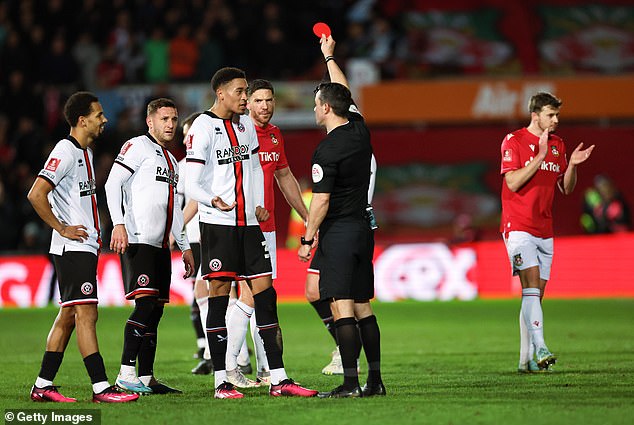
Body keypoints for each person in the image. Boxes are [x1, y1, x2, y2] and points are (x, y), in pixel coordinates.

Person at [185, 67, 318, 399]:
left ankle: (279, 379)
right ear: (222, 94)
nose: (245, 98)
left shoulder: (246, 126)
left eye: (248, 92)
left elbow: (257, 167)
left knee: (266, 295)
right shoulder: (203, 127)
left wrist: (259, 203)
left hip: (250, 226)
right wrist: (209, 199)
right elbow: (190, 181)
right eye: (241, 92)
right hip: (218, 225)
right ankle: (221, 380)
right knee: (218, 298)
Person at [27, 91, 138, 403]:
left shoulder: (85, 154)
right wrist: (62, 228)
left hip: (84, 246)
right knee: (87, 315)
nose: (104, 120)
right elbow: (36, 194)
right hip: (71, 246)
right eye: (99, 115)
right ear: (81, 120)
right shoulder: (64, 150)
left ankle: (43, 385)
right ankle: (102, 387)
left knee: (68, 316)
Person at [298, 35, 385, 398]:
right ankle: (375, 381)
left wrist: (307, 238)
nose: (315, 109)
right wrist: (329, 57)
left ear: (326, 109)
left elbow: (320, 202)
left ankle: (350, 382)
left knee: (342, 305)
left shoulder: (326, 151)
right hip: (364, 229)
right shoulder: (360, 132)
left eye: (318, 104)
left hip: (338, 231)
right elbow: (344, 93)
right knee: (363, 305)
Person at [105, 98, 195, 394]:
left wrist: (185, 247)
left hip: (160, 247)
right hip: (138, 239)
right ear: (150, 122)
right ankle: (125, 374)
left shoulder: (171, 160)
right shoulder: (136, 146)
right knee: (144, 305)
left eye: (174, 119)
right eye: (165, 119)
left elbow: (175, 208)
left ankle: (145, 377)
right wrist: (118, 224)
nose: (170, 124)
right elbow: (111, 183)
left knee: (155, 310)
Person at [223, 79, 310, 388]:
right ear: (248, 103)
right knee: (249, 295)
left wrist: (307, 216)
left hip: (269, 227)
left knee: (264, 298)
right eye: (258, 100)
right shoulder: (238, 133)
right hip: (243, 225)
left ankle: (265, 370)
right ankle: (229, 367)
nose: (265, 106)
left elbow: (284, 177)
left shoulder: (274, 136)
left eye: (269, 100)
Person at [500, 92, 595, 373]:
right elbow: (513, 182)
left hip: (544, 229)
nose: (555, 120)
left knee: (534, 296)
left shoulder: (558, 144)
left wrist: (573, 166)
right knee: (530, 289)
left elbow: (566, 188)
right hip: (518, 227)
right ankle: (541, 348)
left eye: (557, 116)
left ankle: (525, 360)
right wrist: (539, 157)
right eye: (550, 115)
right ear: (535, 115)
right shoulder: (513, 140)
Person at [308, 154, 377, 376]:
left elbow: (326, 196)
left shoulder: (343, 149)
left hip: (341, 228)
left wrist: (308, 236)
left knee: (348, 302)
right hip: (343, 227)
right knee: (316, 291)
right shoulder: (356, 147)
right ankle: (365, 371)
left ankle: (348, 358)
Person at [176, 111, 215, 375]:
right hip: (191, 236)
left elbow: (195, 201)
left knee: (217, 294)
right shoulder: (180, 165)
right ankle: (212, 352)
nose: (190, 138)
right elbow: (182, 202)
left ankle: (224, 354)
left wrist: (173, 228)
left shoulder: (209, 162)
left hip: (210, 233)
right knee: (203, 294)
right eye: (186, 134)